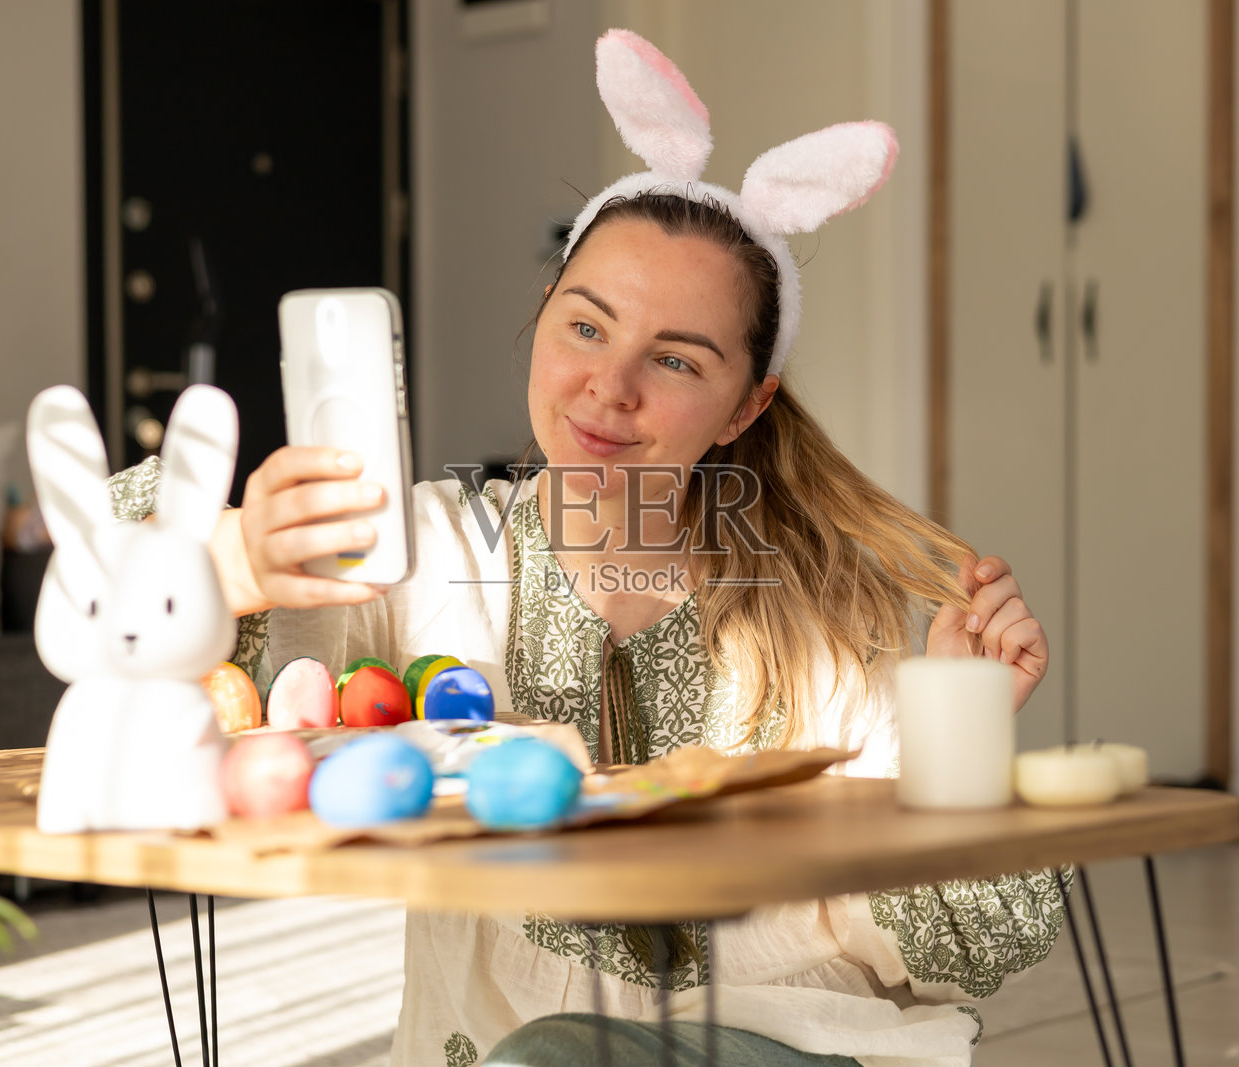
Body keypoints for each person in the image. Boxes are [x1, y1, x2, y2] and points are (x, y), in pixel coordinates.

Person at [113, 29, 1056, 1067]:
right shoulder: (413, 549)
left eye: (676, 359)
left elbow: (973, 950)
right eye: (586, 327)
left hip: (784, 1045)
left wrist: (955, 726)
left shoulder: (831, 611)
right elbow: (105, 614)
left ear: (747, 406)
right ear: (541, 319)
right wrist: (237, 558)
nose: (611, 387)